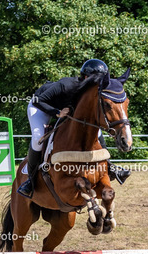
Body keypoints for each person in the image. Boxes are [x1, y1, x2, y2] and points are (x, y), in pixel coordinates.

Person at [17, 59, 131, 198]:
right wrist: (57, 112)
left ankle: (109, 166)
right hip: (41, 106)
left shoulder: (92, 92)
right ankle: (30, 180)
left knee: (97, 130)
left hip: (64, 109)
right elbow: (38, 100)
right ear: (85, 78)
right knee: (37, 137)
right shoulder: (66, 85)